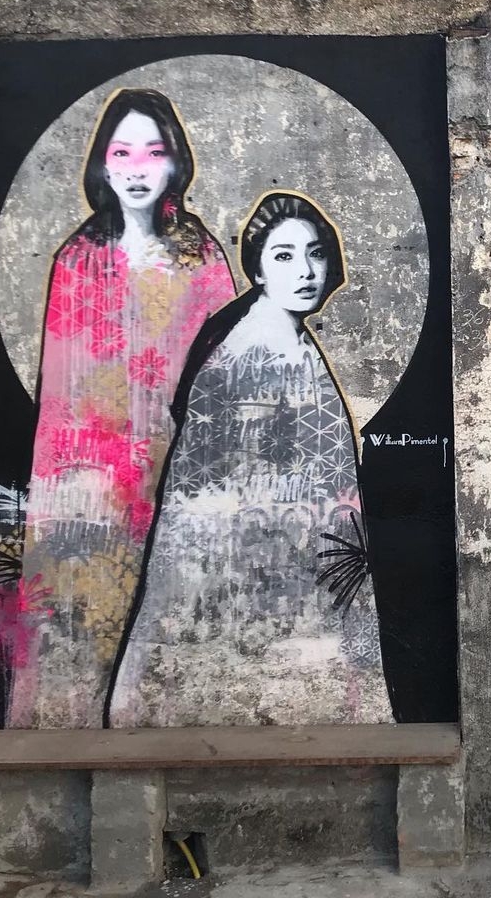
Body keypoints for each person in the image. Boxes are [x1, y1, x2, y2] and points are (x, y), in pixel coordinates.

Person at [106, 192, 392, 727]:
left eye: (315, 253)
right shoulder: (251, 351)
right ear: (257, 270)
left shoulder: (287, 339)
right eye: (284, 256)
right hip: (251, 581)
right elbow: (212, 494)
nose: (305, 271)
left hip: (298, 574)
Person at [8, 89, 236, 728]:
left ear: (176, 164)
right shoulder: (77, 259)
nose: (138, 168)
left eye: (154, 152)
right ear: (103, 166)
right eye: (122, 152)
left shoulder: (201, 256)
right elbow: (58, 400)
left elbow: (219, 380)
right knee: (79, 635)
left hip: (178, 474)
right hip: (88, 485)